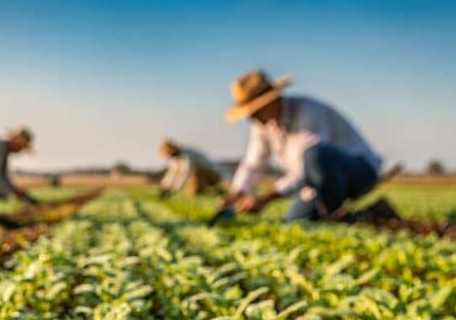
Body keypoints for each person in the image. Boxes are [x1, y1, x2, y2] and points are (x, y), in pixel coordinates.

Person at [218, 69, 398, 222]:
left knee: (314, 155)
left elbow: (306, 168)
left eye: (256, 110)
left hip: (359, 171)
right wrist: (238, 193)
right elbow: (254, 163)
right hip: (315, 182)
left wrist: (265, 199)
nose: (252, 117)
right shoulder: (262, 125)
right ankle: (372, 214)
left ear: (273, 100)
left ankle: (333, 212)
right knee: (294, 221)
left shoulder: (308, 111)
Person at [157, 138, 224, 198]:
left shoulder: (187, 155)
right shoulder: (177, 158)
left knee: (195, 191)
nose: (171, 157)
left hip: (213, 174)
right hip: (200, 175)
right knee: (192, 192)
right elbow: (172, 173)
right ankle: (216, 191)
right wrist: (164, 185)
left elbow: (185, 173)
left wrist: (173, 190)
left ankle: (217, 192)